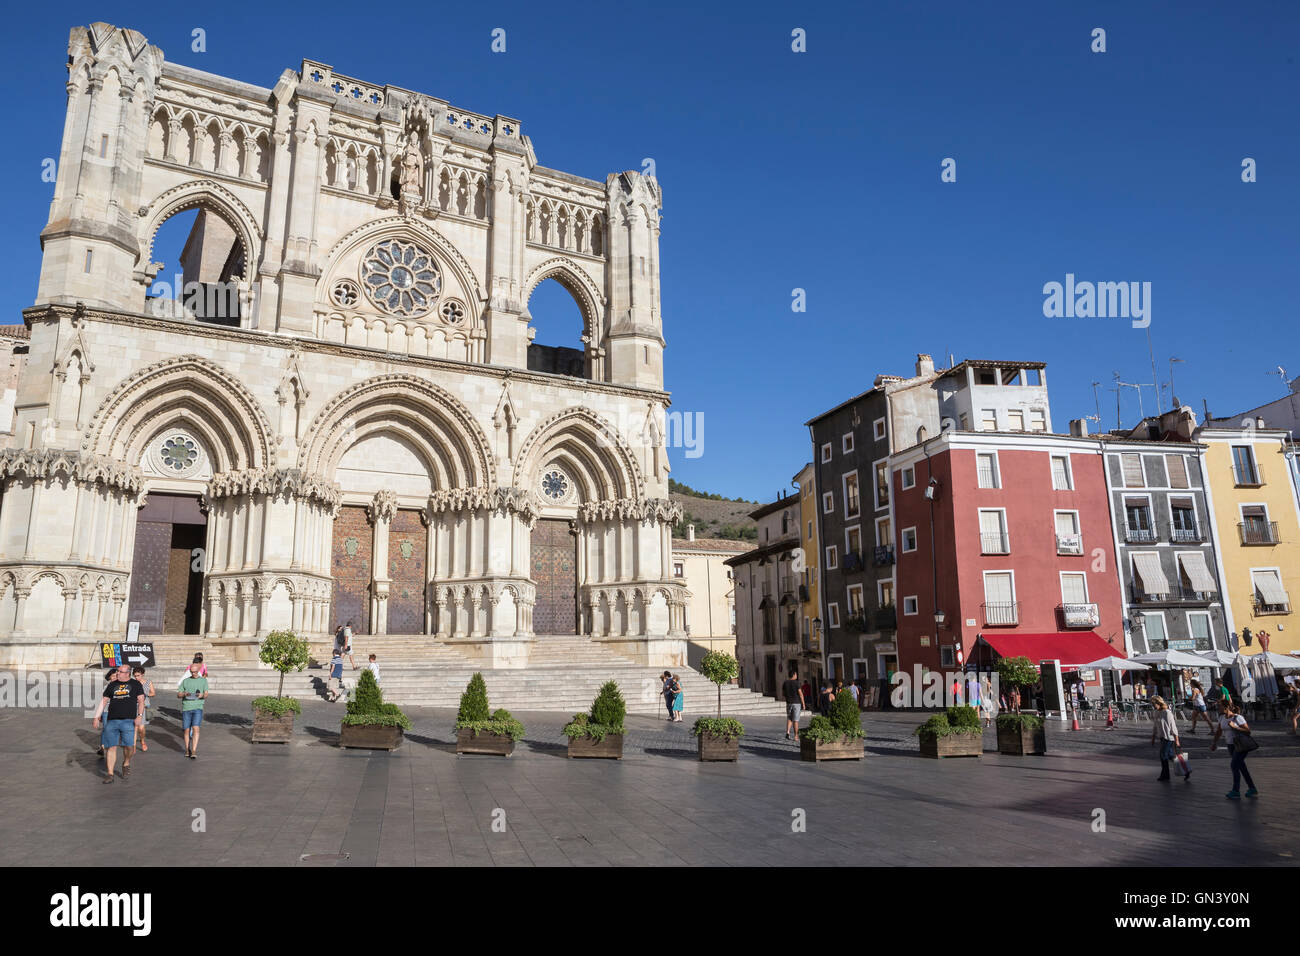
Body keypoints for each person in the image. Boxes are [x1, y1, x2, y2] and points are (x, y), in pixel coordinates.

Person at [92, 664, 145, 783]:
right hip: (112, 720)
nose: (117, 673)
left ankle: (126, 763)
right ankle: (110, 774)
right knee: (111, 747)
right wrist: (96, 716)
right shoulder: (112, 685)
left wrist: (139, 716)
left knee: (129, 747)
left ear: (127, 673)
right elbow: (104, 701)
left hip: (128, 720)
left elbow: (141, 701)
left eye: (120, 672)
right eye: (117, 671)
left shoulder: (136, 684)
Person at [1210, 699, 1258, 799]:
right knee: (1241, 767)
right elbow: (1219, 731)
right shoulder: (1222, 717)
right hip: (1230, 745)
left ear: (1226, 707)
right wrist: (1214, 742)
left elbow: (1247, 731)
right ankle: (1252, 788)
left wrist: (1235, 727)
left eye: (1219, 706)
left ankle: (1236, 791)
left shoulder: (1237, 717)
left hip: (1241, 745)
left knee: (1234, 765)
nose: (1218, 708)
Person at [1150, 696, 1188, 781]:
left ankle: (1165, 775)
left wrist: (1177, 740)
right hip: (1162, 737)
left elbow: (1173, 727)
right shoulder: (1156, 712)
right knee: (1170, 756)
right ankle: (1186, 770)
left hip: (1169, 738)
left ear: (1159, 703)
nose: (1153, 706)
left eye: (1154, 704)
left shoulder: (1167, 712)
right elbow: (1155, 725)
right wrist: (1153, 736)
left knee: (1163, 755)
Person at [178, 661, 208, 759]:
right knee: (186, 730)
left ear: (198, 671)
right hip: (186, 707)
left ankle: (194, 750)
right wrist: (184, 694)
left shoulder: (203, 681)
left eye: (195, 672)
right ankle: (187, 749)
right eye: (191, 672)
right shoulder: (185, 681)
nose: (193, 673)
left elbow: (206, 694)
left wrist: (202, 695)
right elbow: (178, 694)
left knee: (196, 728)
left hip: (198, 707)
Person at [131, 666, 156, 753]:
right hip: (134, 706)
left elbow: (153, 693)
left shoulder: (148, 682)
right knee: (135, 727)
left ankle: (142, 740)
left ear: (142, 674)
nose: (136, 677)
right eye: (135, 676)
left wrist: (144, 694)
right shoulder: (132, 683)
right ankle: (133, 746)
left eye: (138, 675)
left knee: (141, 728)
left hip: (144, 706)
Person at [782, 669, 805, 740]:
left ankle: (788, 732)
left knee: (789, 718)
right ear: (794, 675)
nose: (796, 675)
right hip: (796, 703)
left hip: (788, 702)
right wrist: (803, 703)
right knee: (795, 720)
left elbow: (783, 693)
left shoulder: (785, 683)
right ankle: (796, 735)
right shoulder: (797, 683)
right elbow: (800, 694)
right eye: (796, 674)